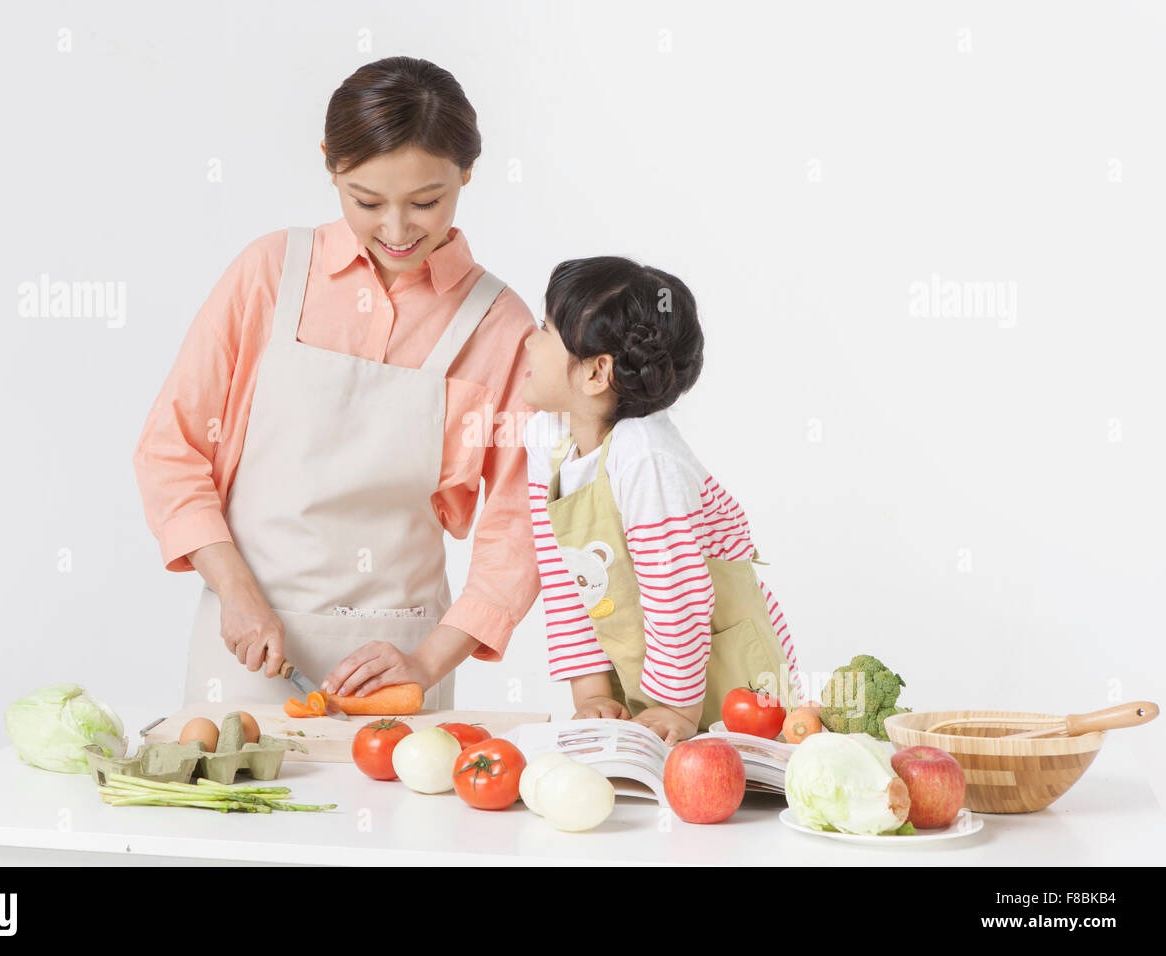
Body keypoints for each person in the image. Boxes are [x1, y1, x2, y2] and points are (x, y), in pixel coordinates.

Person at [133, 57, 540, 708]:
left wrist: (425, 662)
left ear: (467, 171)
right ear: (330, 164)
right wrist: (236, 595)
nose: (398, 230)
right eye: (367, 201)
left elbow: (519, 523)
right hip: (247, 647)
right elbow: (171, 450)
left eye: (427, 201)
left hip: (403, 664)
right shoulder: (270, 273)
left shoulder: (501, 328)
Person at [522, 257, 804, 745]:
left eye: (544, 329)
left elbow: (678, 594)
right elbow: (566, 576)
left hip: (726, 677)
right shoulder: (546, 438)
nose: (528, 340)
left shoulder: (645, 456)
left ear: (595, 372)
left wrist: (675, 707)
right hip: (649, 675)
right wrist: (589, 692)